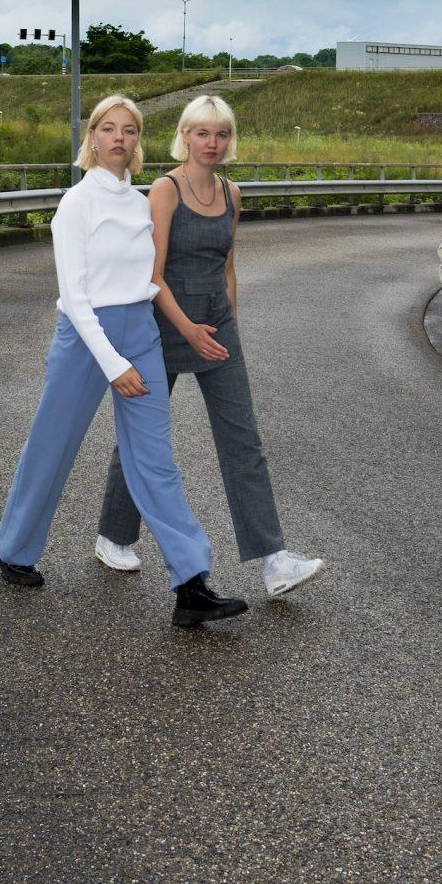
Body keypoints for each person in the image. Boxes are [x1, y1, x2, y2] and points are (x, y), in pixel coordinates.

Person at [0, 93, 248, 629]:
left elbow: (150, 278)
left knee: (155, 459)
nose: (119, 138)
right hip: (86, 338)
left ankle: (191, 583)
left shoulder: (139, 203)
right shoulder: (76, 204)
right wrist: (113, 363)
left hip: (140, 331)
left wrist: (146, 344)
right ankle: (13, 548)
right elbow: (74, 296)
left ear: (138, 142)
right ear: (93, 137)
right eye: (109, 128)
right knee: (53, 444)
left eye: (129, 130)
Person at [94, 94, 325, 600]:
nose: (212, 143)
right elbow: (152, 275)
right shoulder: (165, 189)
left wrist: (229, 327)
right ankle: (113, 537)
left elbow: (228, 268)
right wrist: (188, 329)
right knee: (144, 436)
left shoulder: (231, 193)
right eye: (202, 133)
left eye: (221, 134)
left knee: (243, 439)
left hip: (216, 329)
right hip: (164, 326)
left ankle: (274, 561)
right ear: (185, 136)